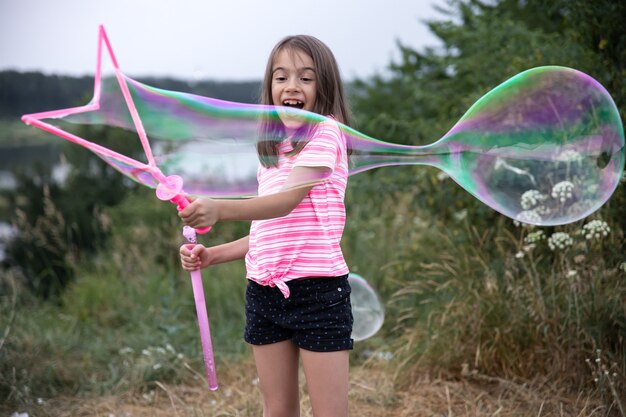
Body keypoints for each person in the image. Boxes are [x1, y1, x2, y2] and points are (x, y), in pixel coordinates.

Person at [179, 35, 353, 417]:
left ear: (324, 87)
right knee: (277, 410)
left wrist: (220, 210)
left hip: (318, 292)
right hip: (263, 291)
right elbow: (269, 226)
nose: (292, 86)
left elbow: (285, 202)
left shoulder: (326, 132)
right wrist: (213, 255)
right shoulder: (275, 151)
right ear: (270, 86)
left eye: (306, 78)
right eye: (281, 77)